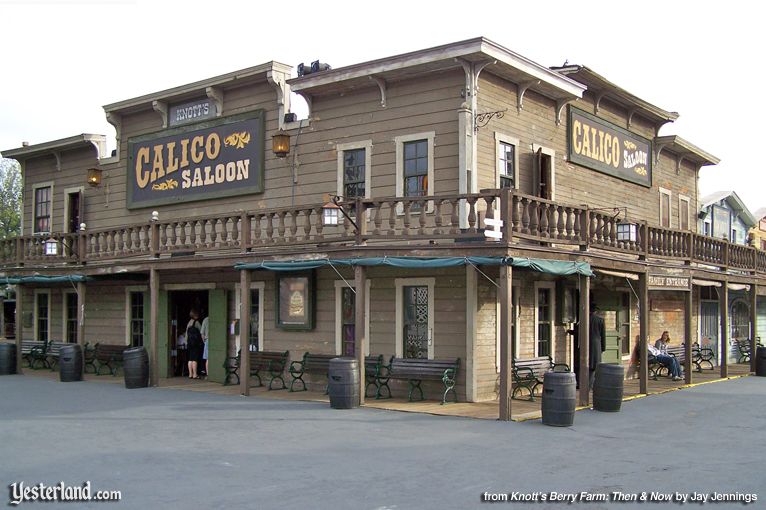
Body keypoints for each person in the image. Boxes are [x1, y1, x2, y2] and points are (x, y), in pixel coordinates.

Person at [589, 303, 606, 389]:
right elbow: (603, 335)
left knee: (588, 365)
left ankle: (590, 384)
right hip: (596, 344)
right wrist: (603, 347)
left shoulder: (584, 320)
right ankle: (591, 385)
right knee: (595, 365)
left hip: (586, 344)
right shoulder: (600, 320)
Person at [186, 309, 203, 379]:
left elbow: (186, 334)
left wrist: (187, 342)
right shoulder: (196, 322)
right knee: (195, 359)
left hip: (189, 343)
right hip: (195, 343)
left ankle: (190, 374)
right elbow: (201, 330)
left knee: (190, 359)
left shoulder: (189, 323)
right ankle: (195, 374)